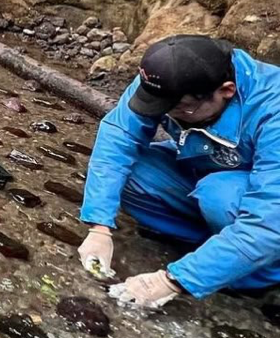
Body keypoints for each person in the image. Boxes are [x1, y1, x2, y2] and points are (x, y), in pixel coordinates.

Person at [77, 34, 280, 309]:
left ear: (227, 91)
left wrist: (174, 280)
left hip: (255, 198)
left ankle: (255, 277)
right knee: (129, 175)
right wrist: (99, 227)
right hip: (204, 164)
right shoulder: (168, 78)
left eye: (181, 109)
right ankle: (215, 249)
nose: (168, 115)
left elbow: (268, 222)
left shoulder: (272, 110)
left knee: (219, 196)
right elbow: (119, 137)